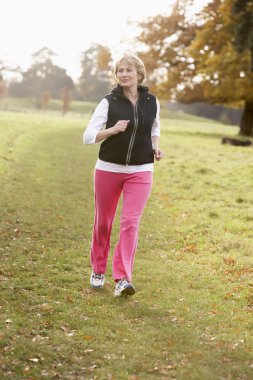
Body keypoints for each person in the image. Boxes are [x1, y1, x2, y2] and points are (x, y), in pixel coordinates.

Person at [83, 52, 163, 297]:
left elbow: (155, 126)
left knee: (130, 223)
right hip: (108, 169)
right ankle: (98, 269)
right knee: (104, 223)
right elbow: (87, 137)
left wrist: (155, 146)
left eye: (129, 70)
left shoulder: (151, 101)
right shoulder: (109, 102)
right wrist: (112, 130)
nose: (124, 75)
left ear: (139, 74)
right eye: (120, 71)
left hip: (141, 170)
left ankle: (122, 278)